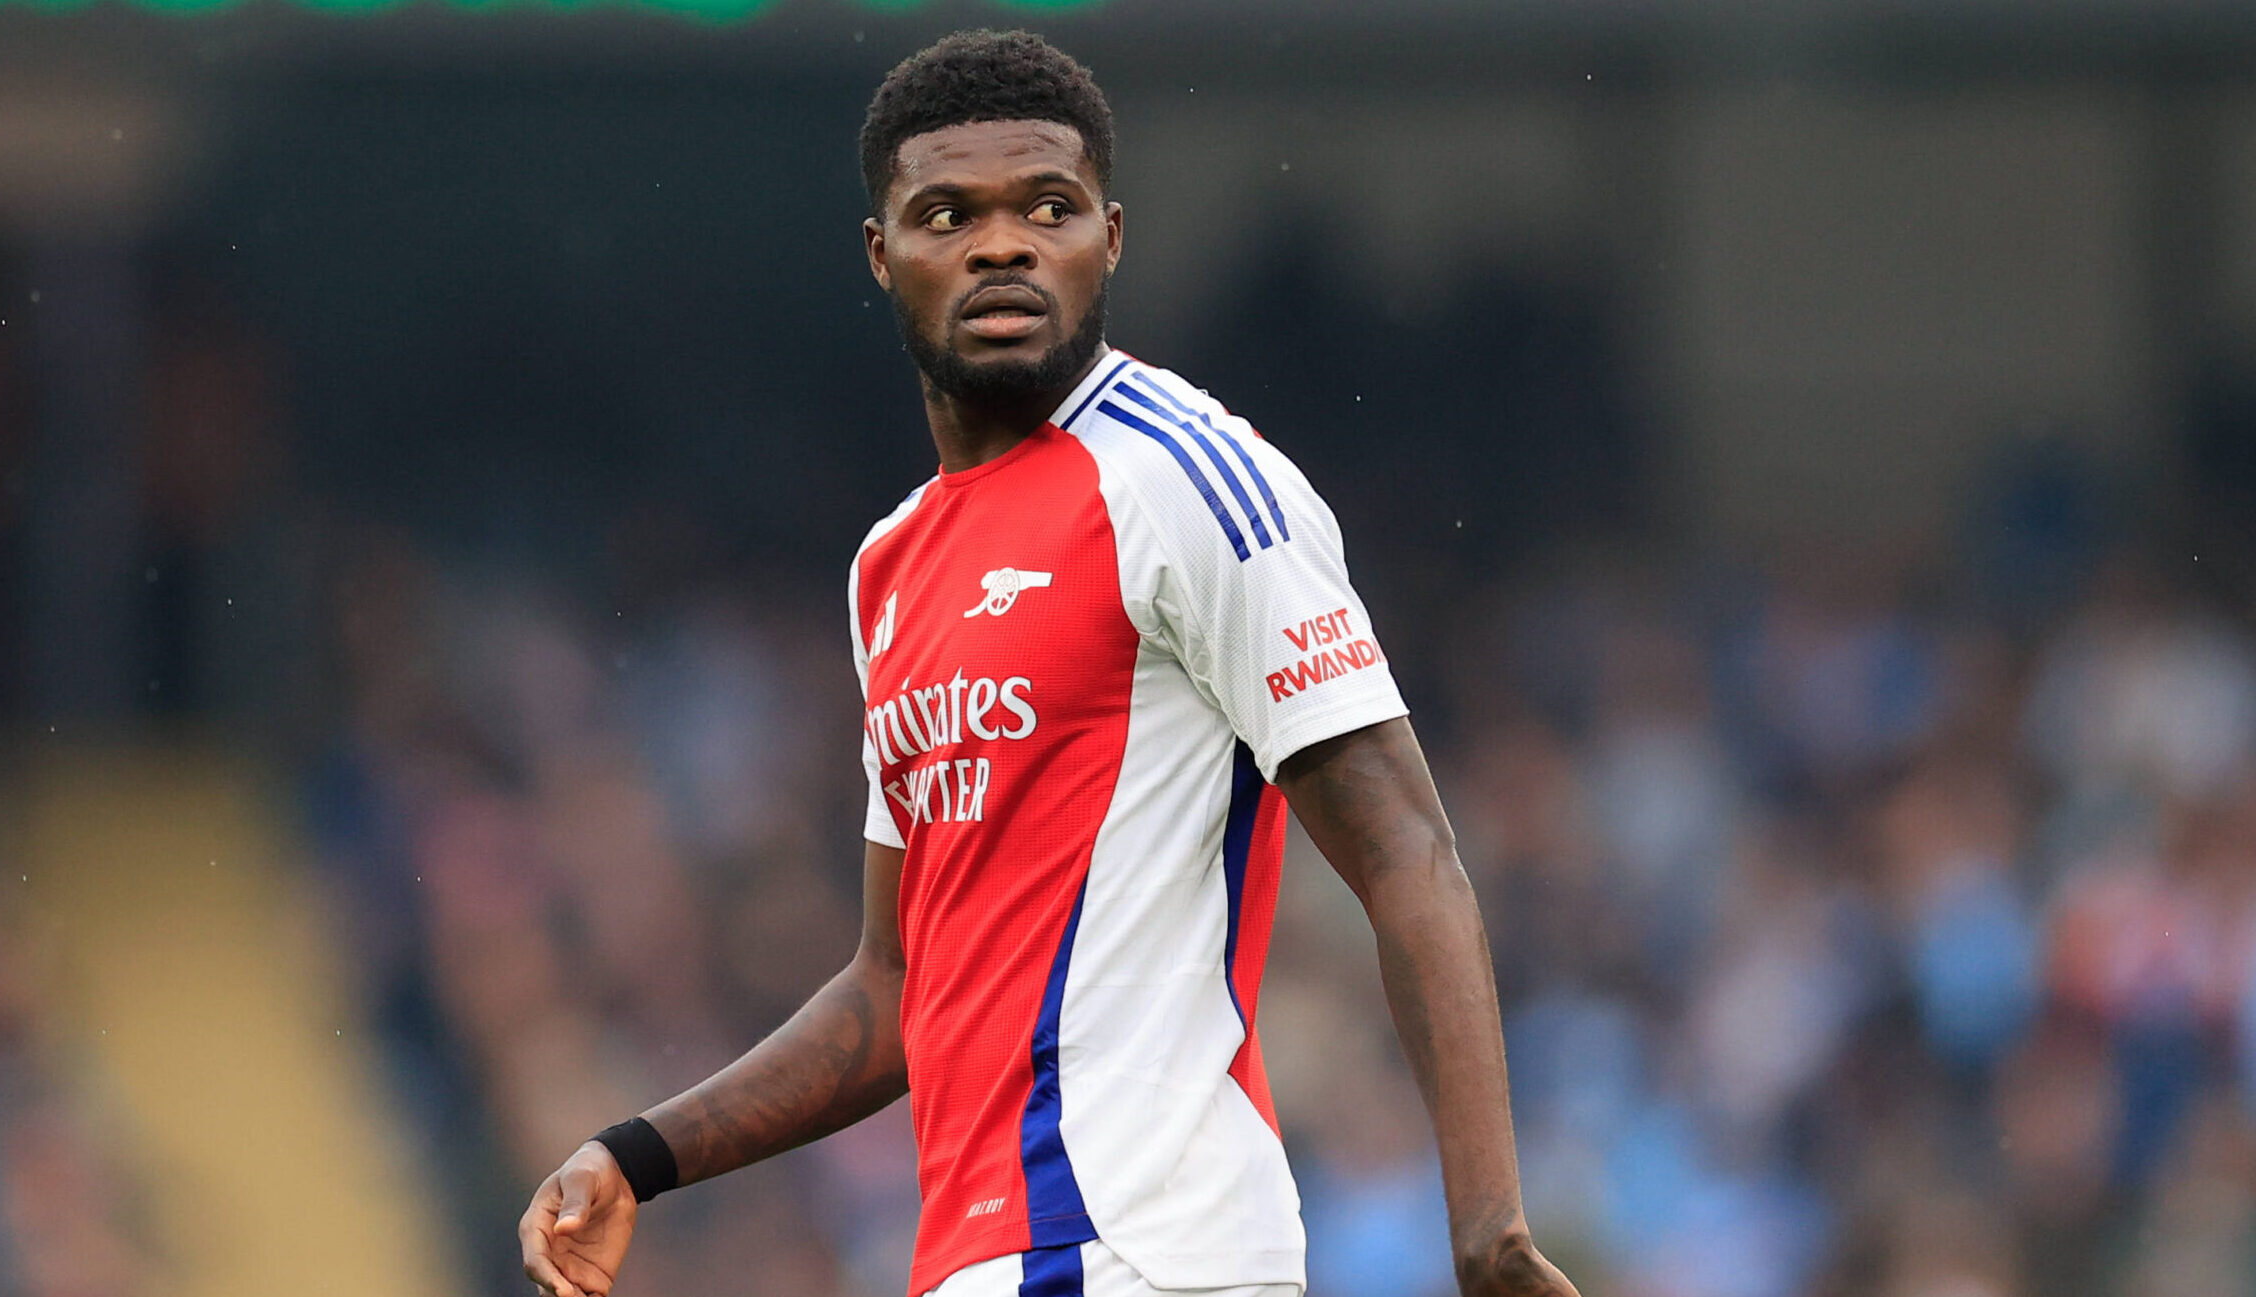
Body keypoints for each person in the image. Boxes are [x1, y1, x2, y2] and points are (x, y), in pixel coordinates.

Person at [519, 29, 1578, 1297]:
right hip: (984, 1259)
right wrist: (638, 1153)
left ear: (1110, 239)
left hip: (1145, 1249)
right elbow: (895, 979)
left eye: (1049, 207)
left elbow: (1405, 848)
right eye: (948, 213)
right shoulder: (891, 565)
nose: (1003, 244)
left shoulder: (1189, 481)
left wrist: (1488, 1231)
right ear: (882, 255)